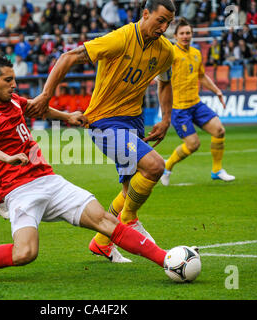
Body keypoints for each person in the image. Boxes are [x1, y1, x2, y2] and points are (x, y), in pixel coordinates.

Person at [0, 56, 176, 281]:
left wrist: (67, 117)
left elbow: (35, 108)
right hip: (18, 190)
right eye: (8, 80)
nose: (14, 84)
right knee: (25, 253)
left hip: (49, 180)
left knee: (104, 220)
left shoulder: (13, 101)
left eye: (14, 79)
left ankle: (167, 260)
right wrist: (6, 158)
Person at [28, 0, 176, 262]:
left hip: (134, 121)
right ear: (145, 14)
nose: (164, 28)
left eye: (168, 23)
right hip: (105, 122)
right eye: (160, 20)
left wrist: (165, 120)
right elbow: (68, 57)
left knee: (128, 191)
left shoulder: (165, 51)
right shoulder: (120, 39)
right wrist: (45, 95)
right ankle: (128, 220)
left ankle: (102, 242)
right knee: (154, 167)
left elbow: (165, 83)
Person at [160, 18, 235, 187]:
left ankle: (216, 170)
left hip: (196, 104)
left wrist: (217, 91)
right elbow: (161, 77)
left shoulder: (196, 53)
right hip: (179, 109)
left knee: (219, 131)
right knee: (193, 145)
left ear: (192, 35)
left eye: (188, 33)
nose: (185, 36)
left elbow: (201, 76)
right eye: (182, 33)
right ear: (176, 36)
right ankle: (167, 166)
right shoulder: (171, 54)